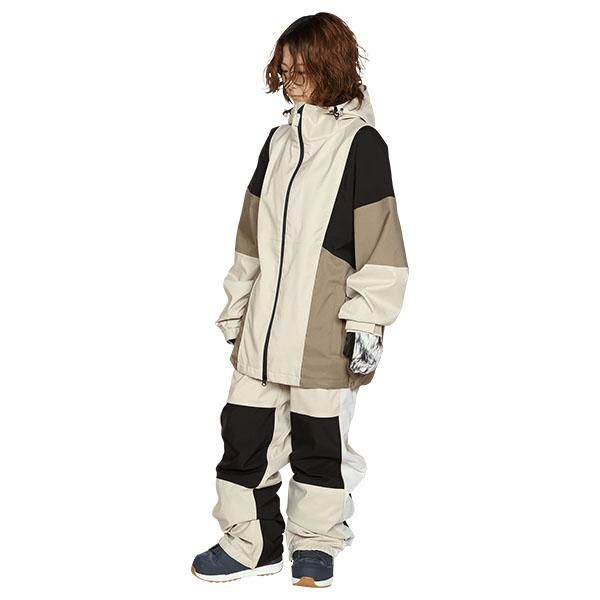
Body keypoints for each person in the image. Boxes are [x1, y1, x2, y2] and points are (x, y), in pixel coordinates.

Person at [191, 12, 409, 588]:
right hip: (262, 332)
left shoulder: (362, 146)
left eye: (302, 69)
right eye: (285, 70)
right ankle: (251, 543)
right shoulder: (277, 143)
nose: (291, 81)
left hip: (323, 332)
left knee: (320, 444)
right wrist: (236, 309)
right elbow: (249, 240)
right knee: (243, 438)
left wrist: (368, 324)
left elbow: (382, 246)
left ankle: (314, 543)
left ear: (332, 67)